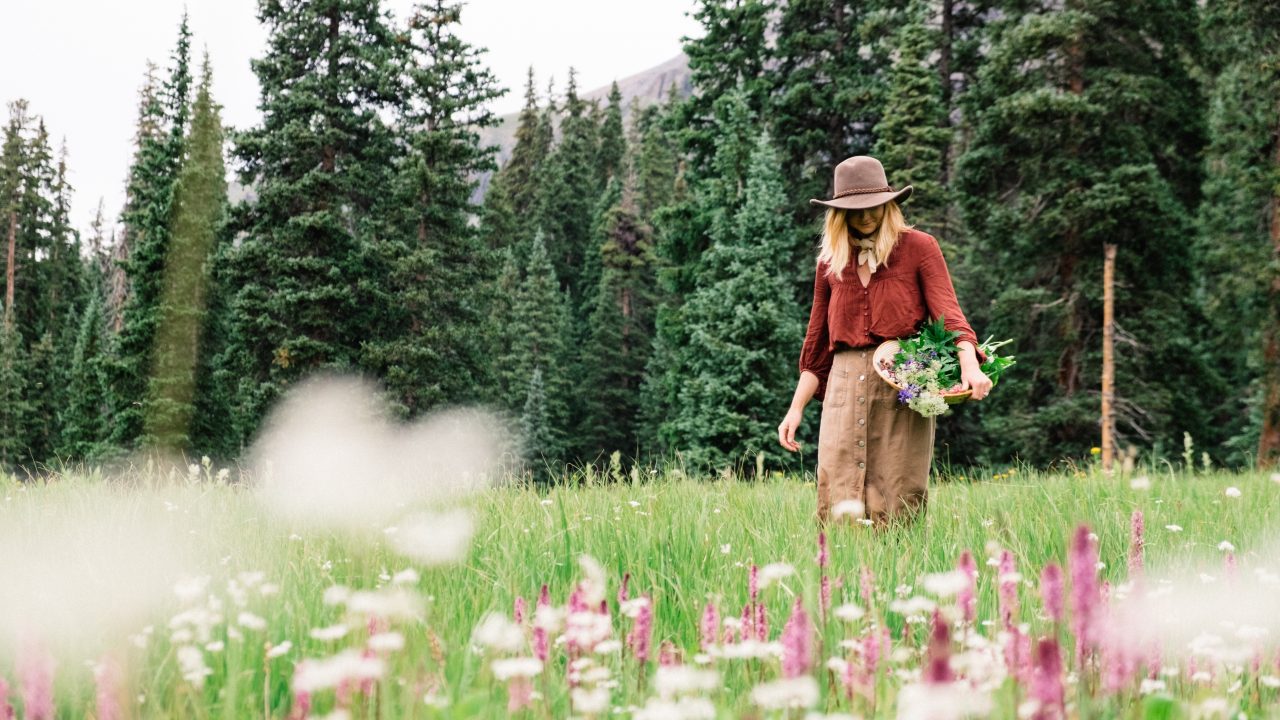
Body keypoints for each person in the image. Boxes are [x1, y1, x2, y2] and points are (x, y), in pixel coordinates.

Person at [777, 156, 992, 527]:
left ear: (889, 203)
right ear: (838, 214)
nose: (865, 218)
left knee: (898, 489)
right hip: (842, 390)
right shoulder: (829, 263)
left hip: (900, 384)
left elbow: (950, 316)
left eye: (873, 207)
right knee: (838, 490)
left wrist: (970, 367)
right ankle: (840, 577)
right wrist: (795, 409)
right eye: (854, 211)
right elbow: (816, 347)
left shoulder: (920, 248)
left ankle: (898, 576)